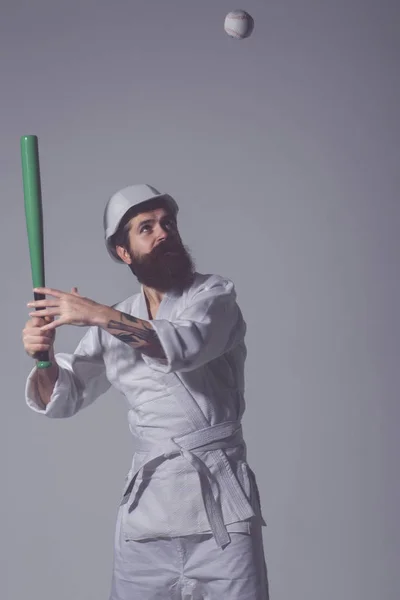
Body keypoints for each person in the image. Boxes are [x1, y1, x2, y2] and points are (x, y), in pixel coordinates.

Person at [22, 184, 270, 599]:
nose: (163, 234)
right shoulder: (117, 319)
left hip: (222, 516)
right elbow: (62, 398)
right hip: (146, 518)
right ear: (124, 252)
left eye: (167, 223)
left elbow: (182, 345)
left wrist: (99, 314)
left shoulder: (214, 297)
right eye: (147, 228)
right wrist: (43, 358)